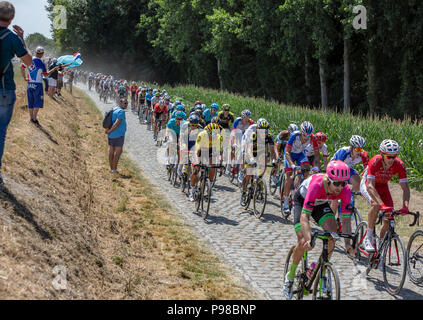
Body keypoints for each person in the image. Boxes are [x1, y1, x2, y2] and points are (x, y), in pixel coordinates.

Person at [283, 160, 353, 299]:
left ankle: (322, 270)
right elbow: (305, 216)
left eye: (343, 183)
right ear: (328, 180)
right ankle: (290, 277)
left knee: (332, 235)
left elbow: (345, 220)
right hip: (303, 201)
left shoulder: (345, 190)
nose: (340, 187)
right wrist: (309, 238)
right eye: (337, 183)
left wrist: (348, 244)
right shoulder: (316, 185)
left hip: (321, 203)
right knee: (303, 240)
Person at [0, 1, 33, 185]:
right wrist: (22, 39)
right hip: (5, 89)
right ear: (12, 18)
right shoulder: (13, 38)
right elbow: (29, 62)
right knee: (0, 131)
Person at [360, 139, 410, 253]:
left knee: (389, 217)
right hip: (368, 184)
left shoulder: (400, 164)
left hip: (383, 186)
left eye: (394, 156)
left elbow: (405, 187)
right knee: (376, 204)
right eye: (388, 157)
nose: (392, 160)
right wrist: (382, 204)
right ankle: (368, 236)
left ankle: (381, 244)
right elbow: (370, 186)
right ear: (382, 154)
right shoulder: (375, 161)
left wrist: (405, 206)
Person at [282, 121, 320, 215]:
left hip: (300, 154)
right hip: (290, 154)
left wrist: (316, 166)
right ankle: (286, 202)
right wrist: (292, 165)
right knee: (290, 177)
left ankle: (302, 193)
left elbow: (316, 153)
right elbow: (287, 152)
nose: (306, 137)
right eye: (304, 135)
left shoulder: (312, 137)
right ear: (301, 132)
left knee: (307, 172)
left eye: (308, 135)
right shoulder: (294, 135)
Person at [240, 118, 276, 206]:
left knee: (265, 163)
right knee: (249, 174)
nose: (264, 131)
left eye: (266, 129)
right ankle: (244, 193)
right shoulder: (253, 134)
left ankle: (259, 182)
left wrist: (274, 160)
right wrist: (251, 159)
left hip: (260, 153)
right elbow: (249, 149)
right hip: (252, 153)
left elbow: (272, 151)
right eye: (262, 129)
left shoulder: (269, 136)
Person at [19, 46, 59, 125]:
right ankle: (34, 118)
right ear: (42, 54)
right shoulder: (41, 63)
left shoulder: (29, 59)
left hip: (30, 84)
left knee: (31, 101)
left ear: (35, 52)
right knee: (37, 102)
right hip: (38, 84)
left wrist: (25, 78)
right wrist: (54, 69)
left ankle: (30, 118)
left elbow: (22, 67)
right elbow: (46, 74)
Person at [190, 123, 223, 202]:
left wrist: (221, 163)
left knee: (212, 166)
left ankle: (210, 186)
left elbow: (220, 153)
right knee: (195, 171)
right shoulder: (202, 135)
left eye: (216, 133)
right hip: (200, 151)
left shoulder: (218, 138)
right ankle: (192, 191)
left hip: (210, 151)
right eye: (212, 133)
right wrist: (197, 163)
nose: (214, 135)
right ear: (207, 132)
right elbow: (196, 151)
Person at [105, 98, 128, 174]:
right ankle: (114, 169)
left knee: (111, 151)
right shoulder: (121, 111)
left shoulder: (114, 109)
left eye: (127, 103)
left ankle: (111, 168)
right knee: (118, 152)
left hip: (111, 135)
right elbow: (117, 123)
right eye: (125, 103)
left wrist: (109, 131)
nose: (126, 104)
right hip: (118, 135)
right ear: (120, 103)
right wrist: (110, 130)